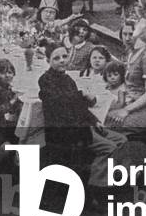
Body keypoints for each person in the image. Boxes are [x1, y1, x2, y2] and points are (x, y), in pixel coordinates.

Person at [39, 41, 127, 201]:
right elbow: (63, 102)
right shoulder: (46, 80)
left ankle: (104, 175)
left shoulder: (68, 79)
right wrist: (82, 96)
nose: (62, 60)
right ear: (48, 61)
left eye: (65, 56)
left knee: (121, 139)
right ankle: (96, 189)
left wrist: (94, 121)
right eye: (56, 58)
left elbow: (79, 106)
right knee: (110, 147)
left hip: (82, 125)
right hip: (67, 130)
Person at [105, 22, 146, 130]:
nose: (127, 38)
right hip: (131, 104)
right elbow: (129, 71)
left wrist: (126, 110)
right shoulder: (132, 54)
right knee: (98, 116)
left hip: (145, 110)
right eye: (124, 34)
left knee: (105, 125)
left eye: (131, 34)